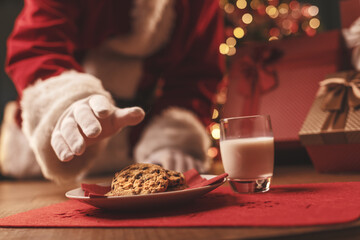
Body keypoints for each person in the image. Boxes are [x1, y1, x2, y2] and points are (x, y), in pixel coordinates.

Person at [0, 0, 225, 184]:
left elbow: (197, 75)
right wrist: (66, 103)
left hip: (139, 155)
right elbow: (37, 46)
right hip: (41, 174)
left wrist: (172, 140)